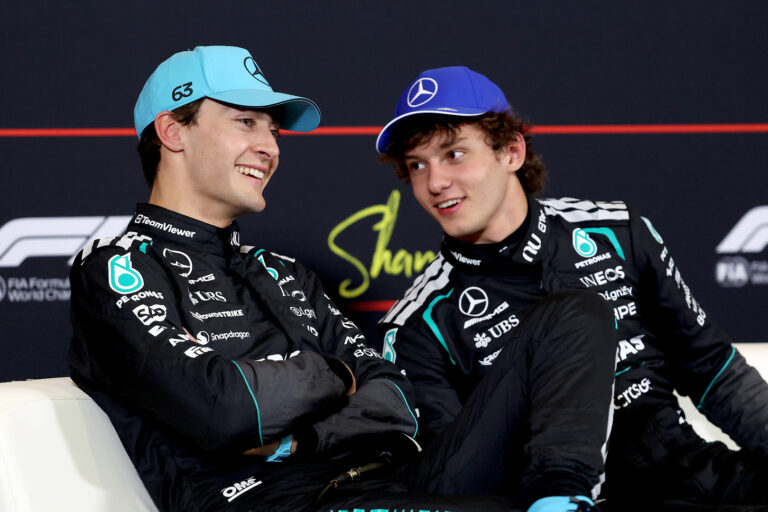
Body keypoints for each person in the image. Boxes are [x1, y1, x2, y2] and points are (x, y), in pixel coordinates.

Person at [68, 46, 583, 512]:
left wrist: (303, 428)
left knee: (572, 314)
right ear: (172, 131)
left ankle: (562, 496)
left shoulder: (285, 271)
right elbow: (225, 409)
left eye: (273, 131)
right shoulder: (115, 270)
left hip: (397, 480)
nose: (270, 147)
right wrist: (339, 375)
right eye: (246, 122)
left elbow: (396, 403)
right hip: (290, 502)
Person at [376, 66, 768, 509]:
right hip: (556, 499)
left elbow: (714, 370)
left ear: (512, 152)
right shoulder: (420, 323)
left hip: (688, 472)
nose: (435, 183)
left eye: (454, 154)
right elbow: (458, 477)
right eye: (417, 164)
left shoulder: (616, 232)